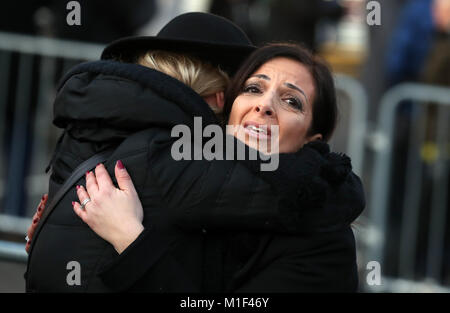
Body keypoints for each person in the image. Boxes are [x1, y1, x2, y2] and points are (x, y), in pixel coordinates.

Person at [69, 43, 365, 292]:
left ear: (311, 140)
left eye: (291, 101)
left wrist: (129, 238)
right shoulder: (190, 183)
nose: (265, 105)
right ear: (230, 109)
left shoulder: (325, 241)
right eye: (253, 88)